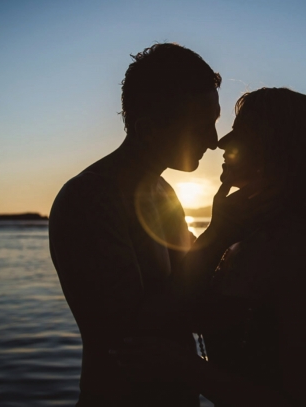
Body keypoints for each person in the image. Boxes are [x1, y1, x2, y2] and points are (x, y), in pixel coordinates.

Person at [113, 88, 306, 407]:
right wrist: (217, 232)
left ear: (278, 149)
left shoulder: (300, 250)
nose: (222, 142)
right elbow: (193, 311)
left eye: (242, 133)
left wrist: (185, 368)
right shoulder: (245, 234)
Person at [48, 43, 223, 406]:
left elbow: (196, 295)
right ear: (148, 129)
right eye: (201, 126)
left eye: (215, 122)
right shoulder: (90, 199)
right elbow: (129, 332)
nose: (214, 140)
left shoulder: (165, 194)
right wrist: (222, 232)